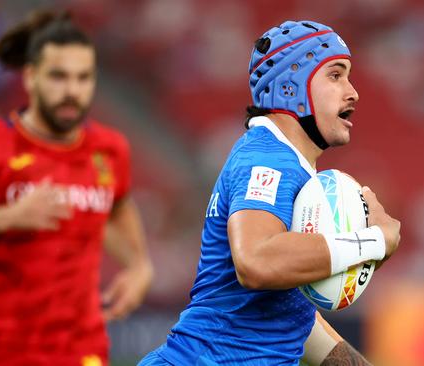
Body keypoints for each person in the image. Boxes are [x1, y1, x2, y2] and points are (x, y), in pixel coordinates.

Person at [139, 20, 401, 366]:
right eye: (335, 75)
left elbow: (288, 314)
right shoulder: (268, 160)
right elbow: (257, 262)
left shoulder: (286, 164)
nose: (352, 92)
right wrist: (374, 240)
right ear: (292, 85)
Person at [0, 10, 153, 365]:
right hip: (1, 346)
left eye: (83, 78)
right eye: (58, 77)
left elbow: (116, 205)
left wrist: (140, 266)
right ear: (30, 77)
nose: (72, 90)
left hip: (82, 347)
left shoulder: (110, 149)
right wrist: (9, 216)